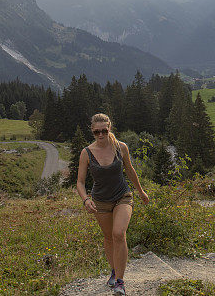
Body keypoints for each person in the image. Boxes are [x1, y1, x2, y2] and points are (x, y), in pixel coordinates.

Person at [77, 113, 149, 295]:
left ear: (109, 128)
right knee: (108, 237)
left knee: (118, 233)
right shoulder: (86, 153)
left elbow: (130, 170)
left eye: (104, 130)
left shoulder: (121, 147)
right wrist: (86, 199)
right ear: (92, 132)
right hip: (100, 201)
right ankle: (114, 270)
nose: (100, 135)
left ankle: (120, 282)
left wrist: (140, 192)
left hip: (122, 196)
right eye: (96, 132)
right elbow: (80, 182)